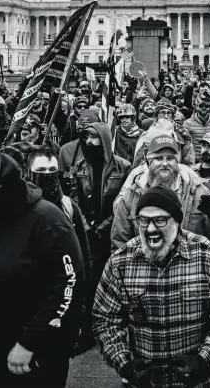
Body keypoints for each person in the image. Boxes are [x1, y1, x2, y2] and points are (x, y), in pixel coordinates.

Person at [0, 153, 84, 388]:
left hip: (30, 356)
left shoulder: (49, 222)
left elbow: (67, 287)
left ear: (7, 190)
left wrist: (30, 342)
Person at [94, 187, 210, 388]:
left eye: (159, 220)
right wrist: (124, 363)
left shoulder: (206, 255)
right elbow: (105, 319)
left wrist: (204, 359)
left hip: (197, 383)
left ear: (176, 220)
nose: (150, 229)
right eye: (143, 220)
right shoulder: (120, 262)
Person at [70, 121, 131, 351]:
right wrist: (86, 226)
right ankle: (88, 332)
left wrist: (104, 227)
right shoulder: (79, 168)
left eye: (94, 137)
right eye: (85, 137)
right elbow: (75, 199)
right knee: (88, 285)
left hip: (112, 233)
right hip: (87, 235)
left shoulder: (123, 168)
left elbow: (122, 205)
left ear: (104, 139)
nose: (88, 142)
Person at [111, 135, 210, 251]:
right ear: (149, 161)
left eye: (170, 158)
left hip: (189, 265)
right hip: (144, 265)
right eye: (159, 158)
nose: (164, 163)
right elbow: (120, 242)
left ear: (177, 161)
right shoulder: (131, 196)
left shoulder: (199, 193)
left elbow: (209, 237)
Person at [27, 147, 91, 289]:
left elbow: (83, 252)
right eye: (41, 170)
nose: (47, 174)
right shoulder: (21, 207)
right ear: (29, 172)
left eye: (52, 170)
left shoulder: (69, 207)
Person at [184, 93, 210, 163]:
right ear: (196, 107)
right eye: (201, 106)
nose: (204, 108)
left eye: (207, 106)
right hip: (195, 161)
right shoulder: (188, 123)